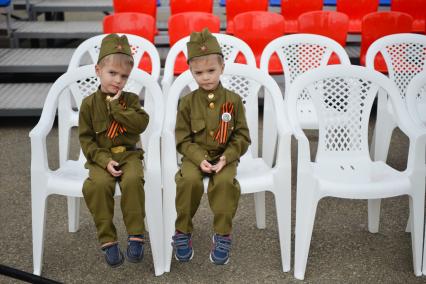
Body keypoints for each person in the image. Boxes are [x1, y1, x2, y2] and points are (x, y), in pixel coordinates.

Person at [172, 28, 251, 265]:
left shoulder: (233, 100)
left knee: (225, 183)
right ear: (191, 72)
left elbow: (242, 136)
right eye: (199, 73)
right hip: (195, 156)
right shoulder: (187, 102)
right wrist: (197, 158)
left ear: (222, 68)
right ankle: (182, 231)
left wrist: (227, 157)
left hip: (224, 156)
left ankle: (223, 233)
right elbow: (182, 139)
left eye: (211, 70)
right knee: (188, 181)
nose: (205, 77)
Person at [79, 33, 149, 267]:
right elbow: (87, 139)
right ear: (98, 70)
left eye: (124, 76)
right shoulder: (88, 104)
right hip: (102, 157)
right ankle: (108, 240)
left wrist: (118, 109)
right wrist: (103, 160)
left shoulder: (129, 99)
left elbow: (141, 123)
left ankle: (136, 235)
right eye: (112, 73)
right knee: (96, 185)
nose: (118, 80)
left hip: (129, 155)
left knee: (133, 181)